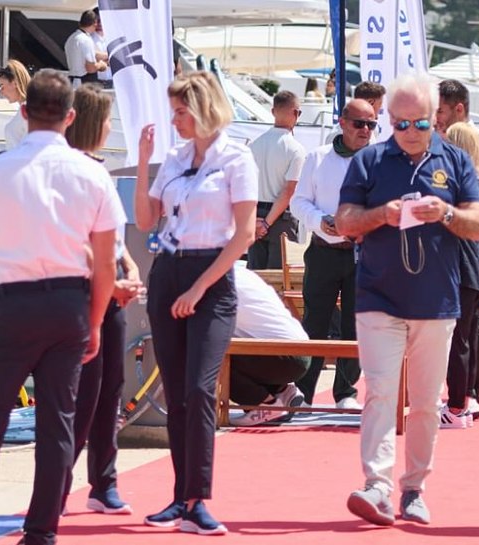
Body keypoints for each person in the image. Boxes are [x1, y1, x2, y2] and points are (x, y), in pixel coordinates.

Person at [0, 69, 124, 545]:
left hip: (11, 304)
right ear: (71, 117)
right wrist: (92, 322)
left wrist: (10, 239)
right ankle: (41, 531)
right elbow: (106, 265)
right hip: (69, 305)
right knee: (57, 423)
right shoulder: (92, 174)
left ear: (24, 112)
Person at [335, 72, 479, 526]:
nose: (410, 133)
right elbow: (343, 221)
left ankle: (414, 486)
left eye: (419, 124)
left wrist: (447, 213)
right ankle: (377, 485)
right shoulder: (370, 162)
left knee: (424, 401)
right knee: (380, 392)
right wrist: (382, 214)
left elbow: (478, 224)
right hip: (378, 296)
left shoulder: (455, 161)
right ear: (388, 122)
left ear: (434, 118)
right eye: (400, 125)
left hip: (437, 299)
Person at [133, 71, 257, 535]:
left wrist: (200, 288)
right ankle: (180, 497)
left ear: (204, 108)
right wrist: (145, 163)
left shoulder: (237, 158)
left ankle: (199, 498)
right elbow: (147, 219)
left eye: (182, 111)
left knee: (200, 389)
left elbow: (244, 234)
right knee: (177, 392)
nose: (176, 120)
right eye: (174, 111)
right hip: (168, 271)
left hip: (212, 279)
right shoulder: (173, 157)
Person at [61, 83, 143, 515]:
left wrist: (128, 268)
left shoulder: (98, 169)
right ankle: (58, 483)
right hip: (82, 294)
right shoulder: (72, 171)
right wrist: (113, 281)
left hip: (110, 293)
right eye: (108, 119)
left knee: (111, 387)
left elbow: (113, 237)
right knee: (85, 394)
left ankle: (102, 483)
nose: (112, 127)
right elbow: (77, 240)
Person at [290, 99, 377, 410]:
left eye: (371, 124)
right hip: (324, 250)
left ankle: (346, 392)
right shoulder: (317, 158)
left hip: (363, 254)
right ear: (342, 122)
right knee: (314, 322)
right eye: (359, 123)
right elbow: (298, 202)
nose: (365, 130)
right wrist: (320, 221)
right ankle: (304, 392)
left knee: (357, 324)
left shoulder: (379, 161)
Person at [434, 79, 479, 413]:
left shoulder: (465, 166)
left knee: (462, 330)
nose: (437, 121)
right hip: (476, 246)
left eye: (441, 112)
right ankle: (471, 394)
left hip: (467, 246)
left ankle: (462, 399)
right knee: (472, 328)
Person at [439, 122, 479, 429]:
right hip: (474, 266)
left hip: (459, 267)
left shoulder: (454, 180)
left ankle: (457, 405)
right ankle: (466, 400)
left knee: (458, 339)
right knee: (469, 337)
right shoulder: (474, 180)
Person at [228, 264, 310, 426]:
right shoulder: (243, 274)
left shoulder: (220, 282)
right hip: (300, 350)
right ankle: (282, 391)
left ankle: (264, 404)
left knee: (211, 356)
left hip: (281, 355)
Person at [246, 90, 305, 270]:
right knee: (281, 282)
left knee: (256, 278)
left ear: (273, 111)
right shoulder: (295, 149)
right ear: (296, 113)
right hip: (281, 219)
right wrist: (267, 223)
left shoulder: (253, 145)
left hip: (255, 215)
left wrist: (257, 222)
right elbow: (288, 192)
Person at [64, 10, 108, 88]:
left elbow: (93, 54)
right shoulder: (86, 40)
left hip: (72, 82)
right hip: (82, 84)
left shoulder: (71, 38)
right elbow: (91, 68)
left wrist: (107, 56)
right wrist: (101, 65)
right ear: (95, 23)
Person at [0, 60, 31, 149]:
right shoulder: (27, 108)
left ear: (15, 83)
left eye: (2, 85)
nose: (1, 91)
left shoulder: (29, 110)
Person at [91, 8, 112, 89]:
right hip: (95, 81)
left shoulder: (111, 37)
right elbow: (93, 56)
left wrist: (101, 59)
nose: (99, 23)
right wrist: (109, 58)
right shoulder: (89, 37)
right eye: (97, 20)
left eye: (102, 19)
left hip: (111, 80)